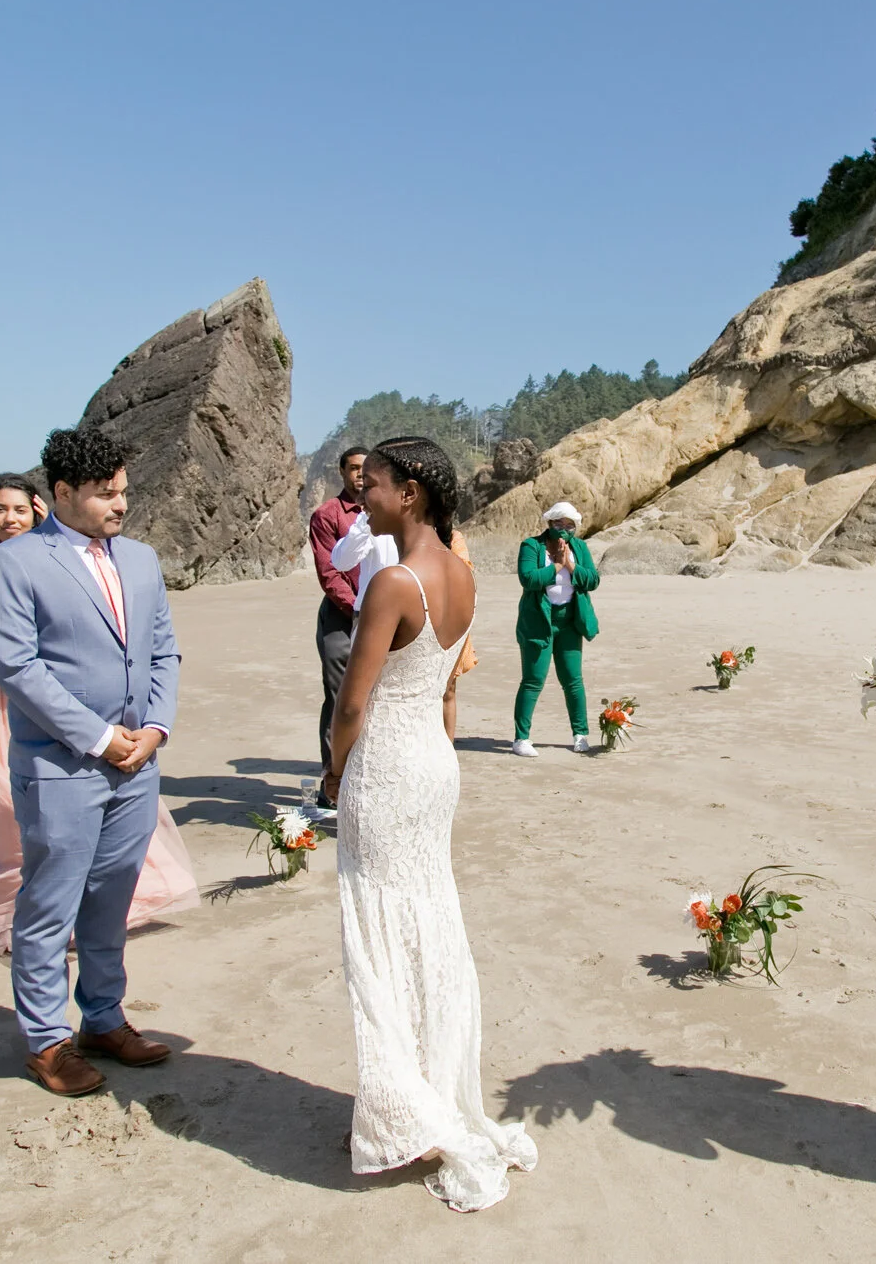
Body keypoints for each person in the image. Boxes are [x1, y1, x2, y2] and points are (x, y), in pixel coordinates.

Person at [320, 437, 537, 1211]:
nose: (361, 495)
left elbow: (352, 701)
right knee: (429, 924)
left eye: (371, 484)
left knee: (380, 934)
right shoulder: (465, 576)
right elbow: (445, 675)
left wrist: (335, 768)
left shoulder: (393, 582)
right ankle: (433, 1088)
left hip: (386, 765)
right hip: (436, 765)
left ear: (409, 493)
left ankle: (403, 1108)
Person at [0, 428, 180, 1095]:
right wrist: (98, 737)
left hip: (137, 764)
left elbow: (162, 649)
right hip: (61, 764)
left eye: (124, 490)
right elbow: (17, 667)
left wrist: (153, 727)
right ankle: (45, 1038)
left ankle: (103, 1016)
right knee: (49, 903)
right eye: (105, 494)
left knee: (112, 896)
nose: (121, 504)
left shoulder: (143, 560)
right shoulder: (15, 563)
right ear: (61, 493)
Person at [0, 473, 197, 957]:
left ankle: (97, 981)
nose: (9, 518)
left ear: (37, 507)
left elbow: (159, 650)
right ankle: (17, 921)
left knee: (99, 846)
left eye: (18, 509)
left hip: (83, 712)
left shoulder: (129, 558)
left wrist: (155, 727)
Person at [511, 502, 601, 757]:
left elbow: (593, 580)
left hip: (569, 621)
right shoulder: (532, 545)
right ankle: (521, 739)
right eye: (558, 524)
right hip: (538, 620)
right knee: (533, 679)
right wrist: (556, 567)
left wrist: (570, 565)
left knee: (573, 680)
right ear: (549, 523)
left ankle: (580, 734)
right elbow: (528, 579)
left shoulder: (580, 547)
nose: (563, 529)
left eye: (569, 525)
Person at [310, 446, 370, 774]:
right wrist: (358, 610)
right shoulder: (328, 514)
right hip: (341, 615)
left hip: (382, 616)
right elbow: (330, 573)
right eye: (354, 468)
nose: (361, 474)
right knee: (339, 698)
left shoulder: (386, 509)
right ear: (342, 472)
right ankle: (331, 780)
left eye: (367, 468)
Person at [443, 528, 479, 739]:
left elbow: (463, 574)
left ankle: (447, 747)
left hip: (450, 619)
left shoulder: (453, 537)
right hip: (416, 616)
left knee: (448, 688)